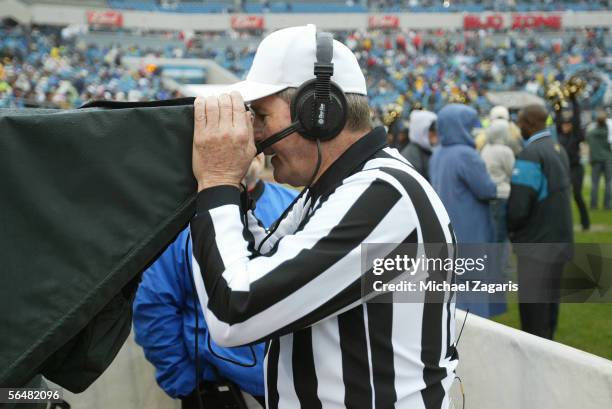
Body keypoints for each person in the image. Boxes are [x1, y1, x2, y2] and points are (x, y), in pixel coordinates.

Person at [189, 25, 458, 408]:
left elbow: (234, 311)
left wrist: (216, 180)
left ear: (319, 112)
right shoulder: (333, 189)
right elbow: (261, 261)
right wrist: (235, 187)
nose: (256, 134)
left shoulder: (384, 194)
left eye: (262, 115)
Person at [133, 155, 297, 409]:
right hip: (222, 390)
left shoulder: (294, 206)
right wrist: (189, 385)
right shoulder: (180, 221)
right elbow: (155, 307)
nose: (248, 151)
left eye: (254, 142)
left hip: (296, 387)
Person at [507, 104, 573, 340]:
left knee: (534, 320)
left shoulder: (530, 154)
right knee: (549, 313)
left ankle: (535, 373)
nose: (518, 127)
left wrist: (511, 230)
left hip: (536, 248)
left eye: (520, 123)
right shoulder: (558, 148)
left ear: (528, 123)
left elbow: (518, 208)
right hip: (558, 242)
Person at [429, 103, 501, 318]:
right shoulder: (466, 155)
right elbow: (487, 190)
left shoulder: (438, 153)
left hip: (447, 228)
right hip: (470, 227)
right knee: (473, 287)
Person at [555, 97, 590, 230]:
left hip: (576, 168)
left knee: (577, 195)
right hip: (564, 169)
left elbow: (576, 117)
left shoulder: (576, 134)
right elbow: (558, 118)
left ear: (571, 126)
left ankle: (585, 223)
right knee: (562, 197)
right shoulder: (560, 134)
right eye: (563, 125)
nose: (565, 127)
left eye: (567, 125)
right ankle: (563, 224)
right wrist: (557, 103)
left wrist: (574, 99)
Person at [481, 121, 515, 244]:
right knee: (501, 234)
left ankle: (492, 260)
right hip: (503, 194)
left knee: (491, 231)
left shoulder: (486, 148)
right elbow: (512, 172)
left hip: (489, 194)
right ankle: (499, 262)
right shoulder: (505, 151)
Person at [400, 109, 437, 180]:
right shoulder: (410, 157)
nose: (435, 133)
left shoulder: (431, 150)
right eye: (431, 129)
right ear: (420, 130)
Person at [586, 110, 612, 210]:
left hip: (595, 160)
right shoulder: (609, 133)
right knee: (609, 183)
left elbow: (588, 143)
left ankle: (593, 205)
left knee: (594, 184)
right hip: (608, 160)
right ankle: (607, 205)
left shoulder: (591, 133)